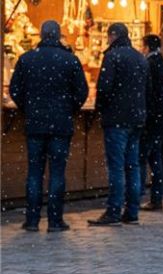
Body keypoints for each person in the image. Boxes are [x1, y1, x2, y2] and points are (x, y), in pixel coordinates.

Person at [9, 20, 88, 232]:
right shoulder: (70, 60)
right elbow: (82, 92)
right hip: (61, 125)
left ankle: (32, 220)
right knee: (57, 173)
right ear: (59, 35)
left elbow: (14, 90)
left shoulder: (27, 59)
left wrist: (28, 108)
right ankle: (55, 220)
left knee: (34, 172)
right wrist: (68, 108)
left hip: (35, 124)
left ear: (42, 35)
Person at [89, 23, 149, 226]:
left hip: (117, 119)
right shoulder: (140, 57)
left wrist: (100, 110)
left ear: (113, 36)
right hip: (136, 119)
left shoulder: (113, 56)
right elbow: (147, 89)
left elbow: (104, 88)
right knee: (132, 165)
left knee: (116, 166)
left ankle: (114, 210)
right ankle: (132, 211)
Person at [139, 34, 163, 212]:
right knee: (156, 160)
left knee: (140, 158)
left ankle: (135, 197)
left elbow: (143, 92)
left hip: (148, 118)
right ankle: (157, 198)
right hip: (162, 118)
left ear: (146, 47)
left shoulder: (147, 66)